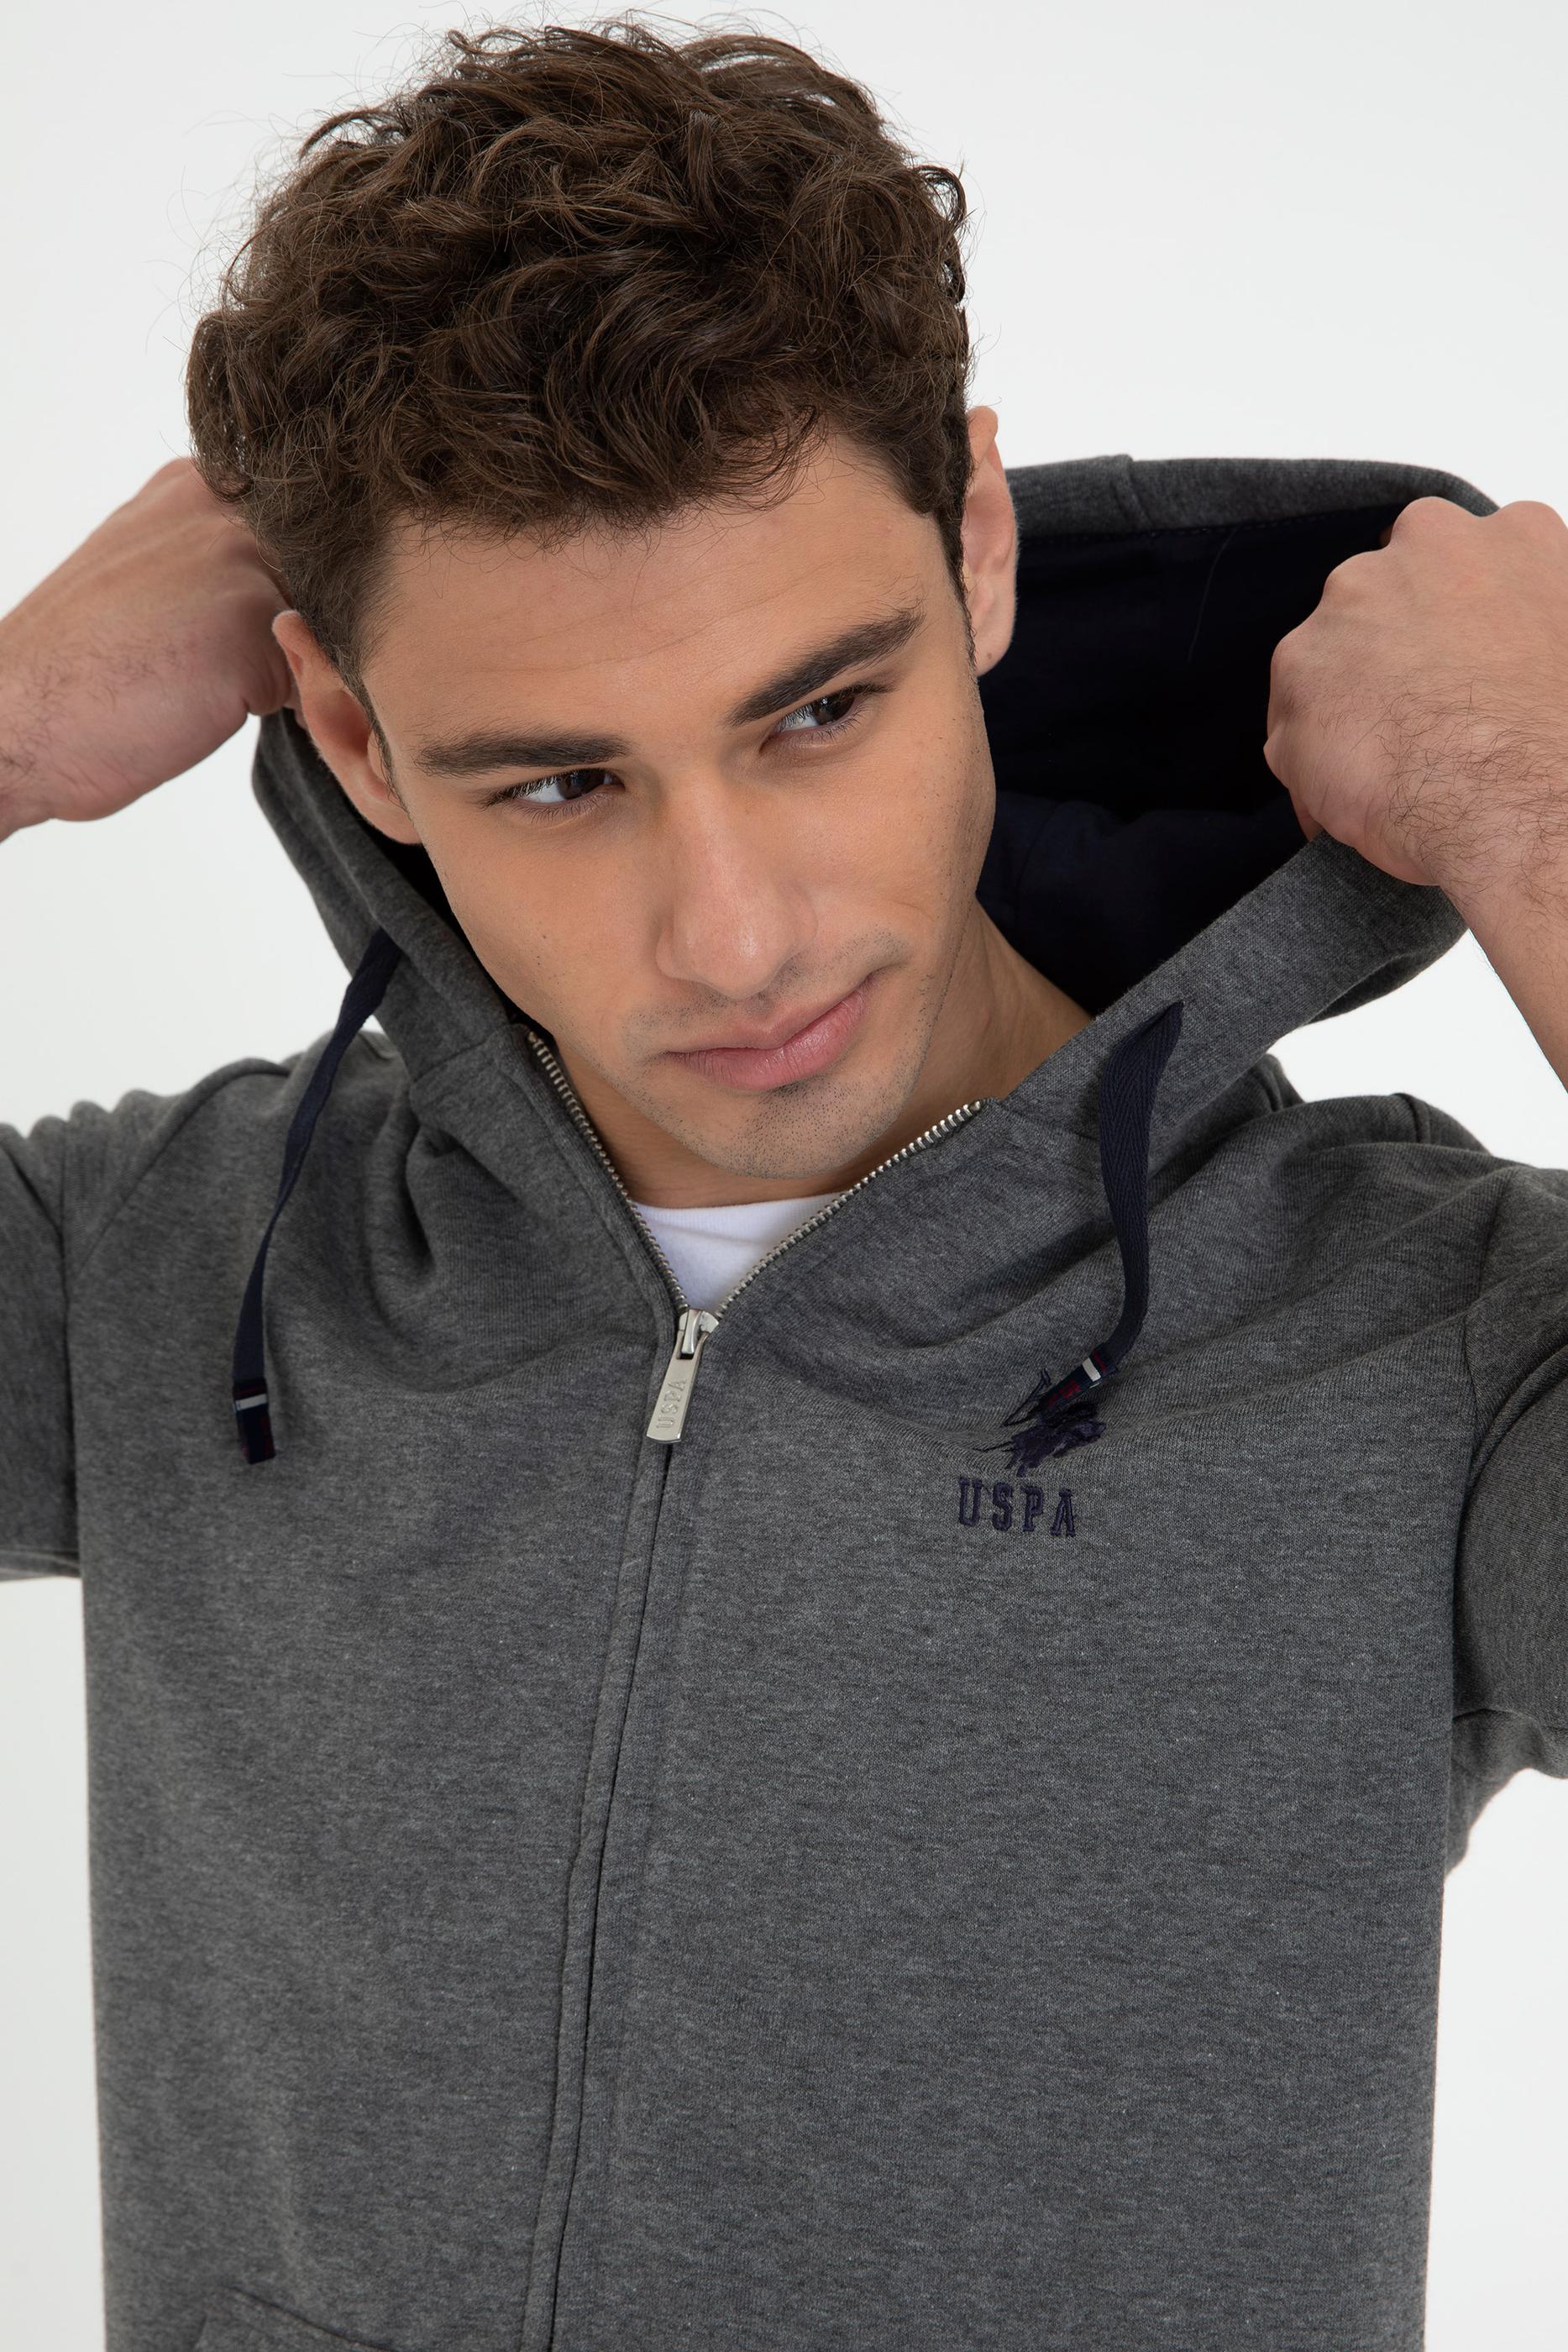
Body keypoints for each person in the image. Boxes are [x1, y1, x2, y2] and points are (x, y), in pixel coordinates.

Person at [3, 16, 1566, 2352]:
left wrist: (1542, 812)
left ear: (977, 549)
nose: (734, 939)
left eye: (817, 713)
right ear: (350, 733)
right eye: (559, 785)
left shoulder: (1420, 1344)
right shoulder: (158, 1266)